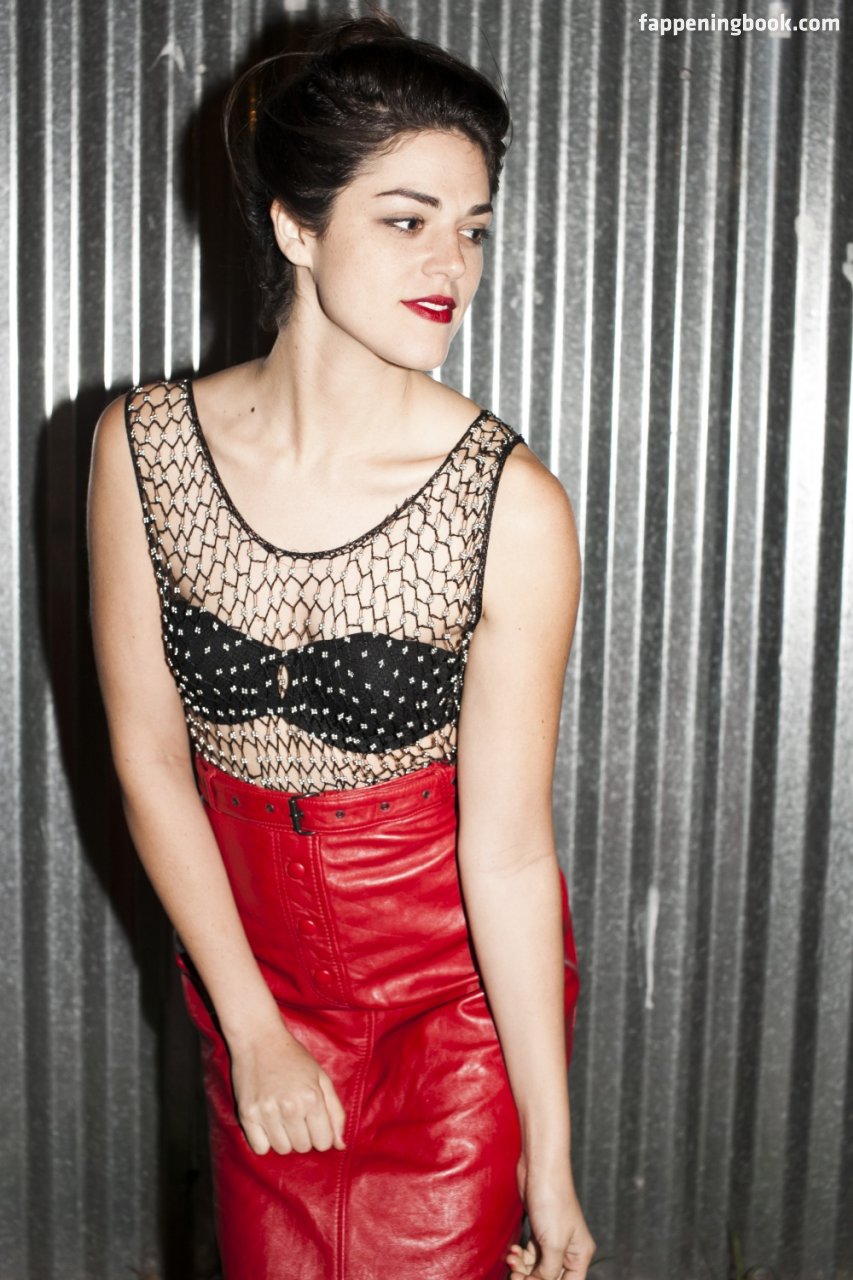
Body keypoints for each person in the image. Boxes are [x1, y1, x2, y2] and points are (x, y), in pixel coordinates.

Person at [87, 10, 595, 1279]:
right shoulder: (142, 450)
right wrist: (252, 1026)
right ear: (295, 227)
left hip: (449, 1013)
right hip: (254, 988)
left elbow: (511, 852)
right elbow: (150, 762)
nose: (453, 264)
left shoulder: (510, 505)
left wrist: (549, 1158)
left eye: (474, 227)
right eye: (407, 219)